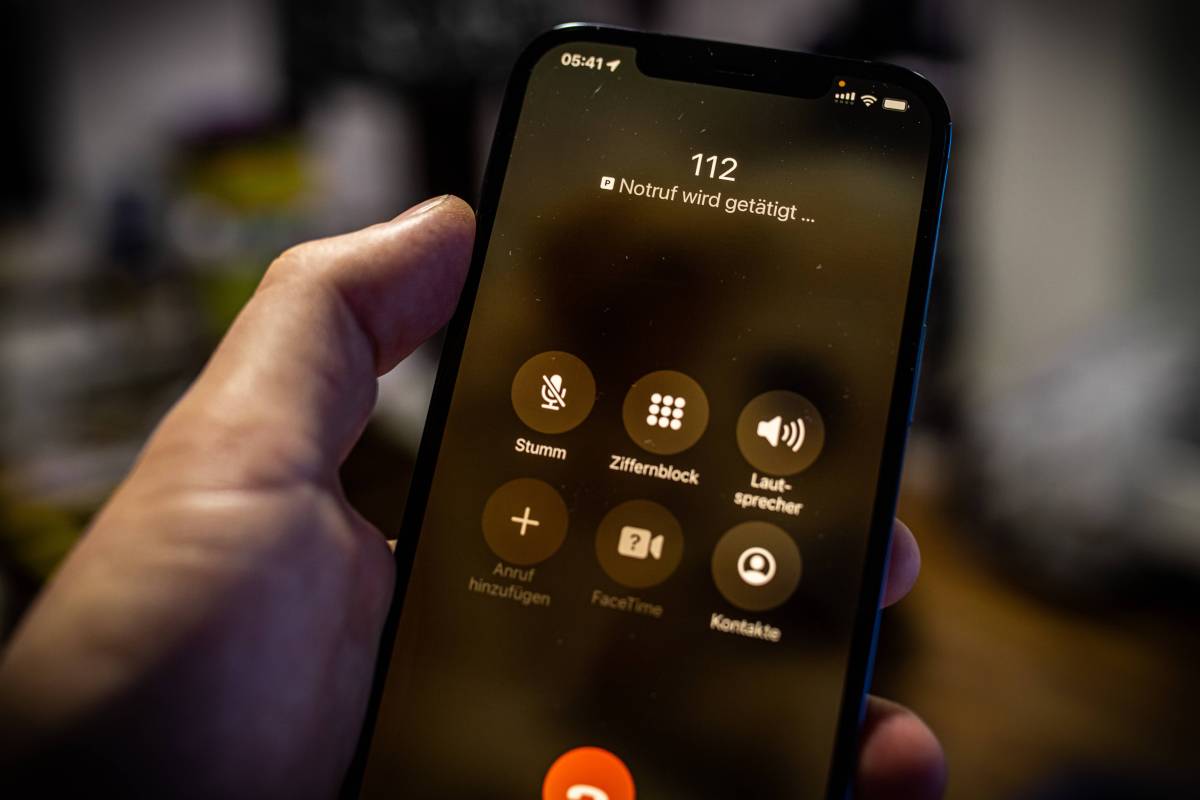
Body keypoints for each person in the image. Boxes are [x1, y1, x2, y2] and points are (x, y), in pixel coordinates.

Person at [0, 196, 945, 798]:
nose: (831, 515)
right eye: (798, 395)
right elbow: (478, 721)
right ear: (664, 316)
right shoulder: (506, 471)